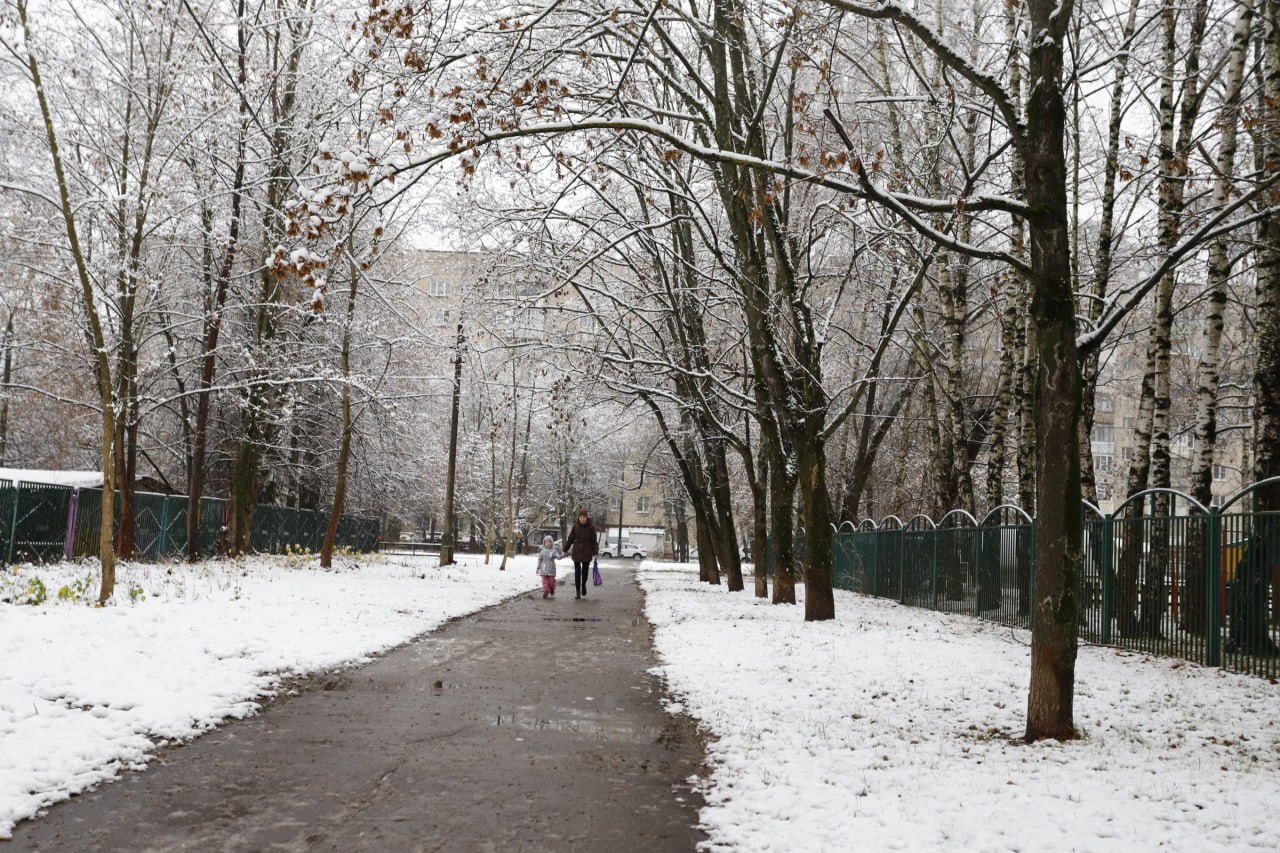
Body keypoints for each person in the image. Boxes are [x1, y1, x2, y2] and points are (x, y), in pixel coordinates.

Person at [564, 505, 599, 600]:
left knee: (585, 573)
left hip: (587, 553)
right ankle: (577, 591)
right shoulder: (575, 527)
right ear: (579, 518)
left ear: (587, 517)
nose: (582, 519)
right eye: (581, 517)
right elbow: (570, 539)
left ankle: (583, 585)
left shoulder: (591, 528)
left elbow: (594, 542)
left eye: (584, 517)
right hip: (577, 552)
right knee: (577, 572)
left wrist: (595, 553)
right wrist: (565, 550)